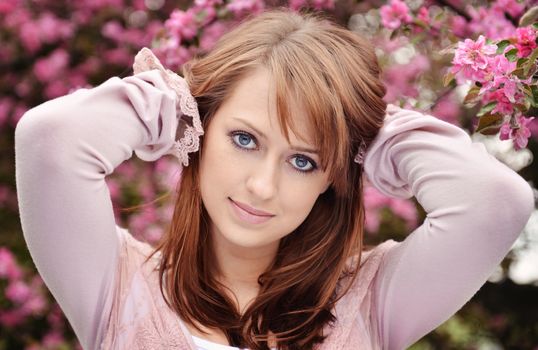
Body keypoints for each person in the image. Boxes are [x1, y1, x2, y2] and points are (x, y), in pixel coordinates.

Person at [14, 7, 534, 350]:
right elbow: (51, 139)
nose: (263, 186)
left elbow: (496, 202)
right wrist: (179, 102)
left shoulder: (371, 305)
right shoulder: (116, 287)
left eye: (303, 161)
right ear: (201, 127)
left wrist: (364, 129)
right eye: (244, 139)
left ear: (333, 175)